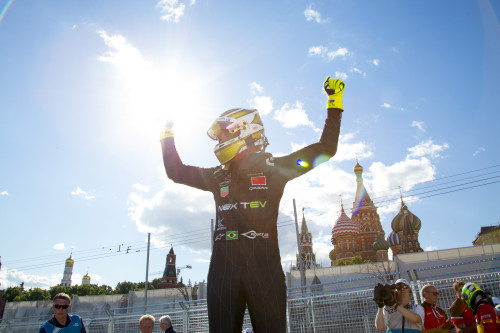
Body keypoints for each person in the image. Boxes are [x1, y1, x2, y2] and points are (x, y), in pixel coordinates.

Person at [160, 76, 345, 332]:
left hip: (264, 268)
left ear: (245, 130)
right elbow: (176, 171)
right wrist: (167, 130)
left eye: (224, 133)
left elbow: (326, 148)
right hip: (223, 272)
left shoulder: (277, 169)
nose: (219, 140)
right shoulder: (217, 175)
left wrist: (334, 103)